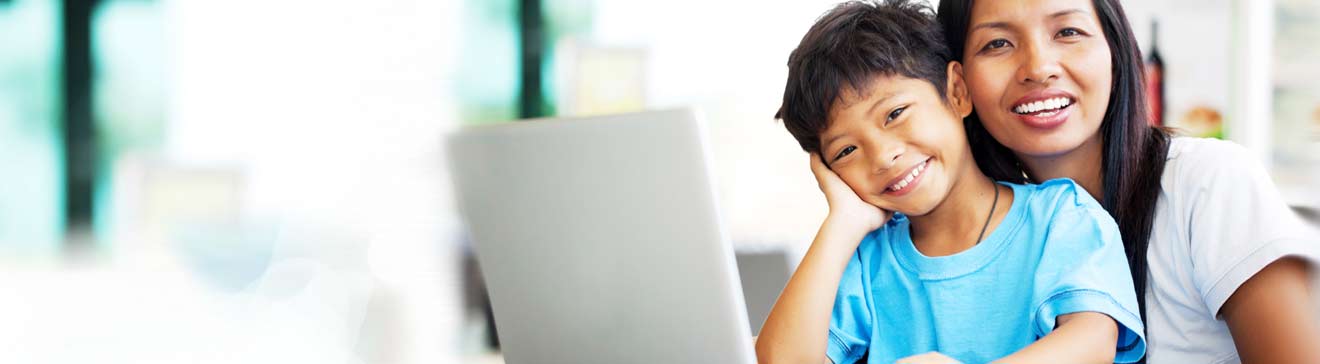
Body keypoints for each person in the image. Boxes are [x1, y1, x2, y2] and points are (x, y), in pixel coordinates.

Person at [755, 1, 1145, 363]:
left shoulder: (1061, 216)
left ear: (957, 91)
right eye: (845, 151)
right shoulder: (866, 261)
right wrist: (842, 223)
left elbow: (1092, 342)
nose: (883, 156)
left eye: (895, 114)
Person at [936, 0, 1320, 362]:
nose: (1038, 67)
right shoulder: (965, 238)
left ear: (1115, 52)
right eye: (998, 43)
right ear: (958, 84)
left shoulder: (1209, 183)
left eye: (1068, 32)